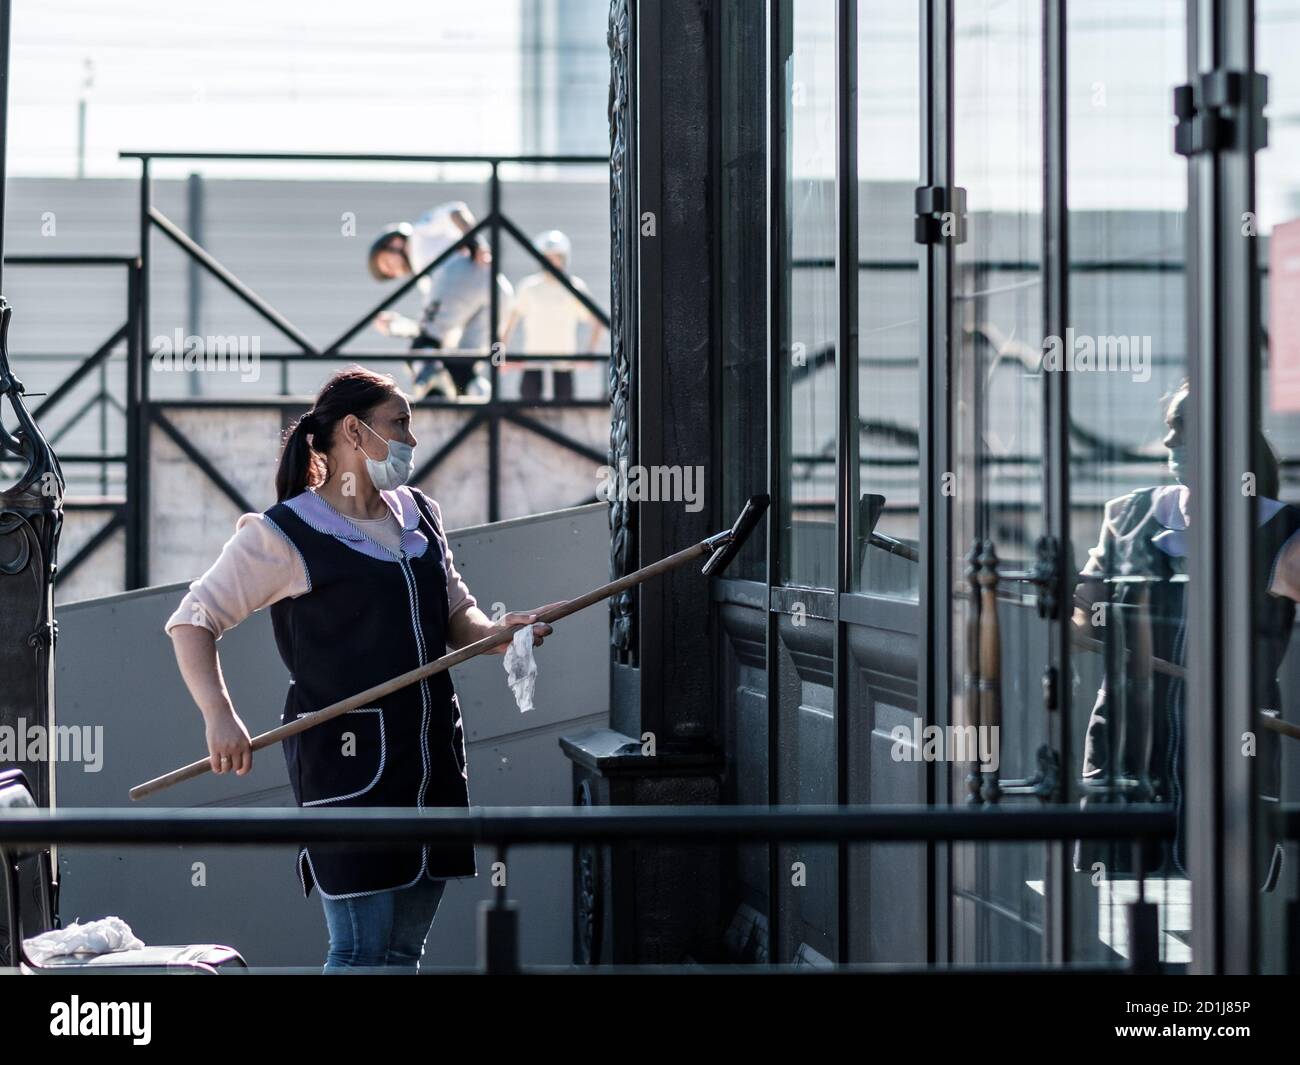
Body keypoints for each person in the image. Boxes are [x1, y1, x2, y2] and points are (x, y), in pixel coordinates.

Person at [164, 365, 555, 973]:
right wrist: (219, 715)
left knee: (401, 953)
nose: (411, 439)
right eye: (399, 424)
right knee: (358, 952)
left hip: (430, 765)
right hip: (348, 771)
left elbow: (458, 616)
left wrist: (501, 635)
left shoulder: (420, 516)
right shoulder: (286, 533)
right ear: (353, 431)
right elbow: (193, 620)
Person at [1072, 379, 1300, 889]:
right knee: (1125, 916)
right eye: (1170, 428)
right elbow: (1083, 614)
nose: (1169, 443)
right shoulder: (1127, 517)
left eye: (1182, 429)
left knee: (1221, 921)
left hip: (1233, 749)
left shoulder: (1285, 533)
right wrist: (1074, 613)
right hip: (1127, 748)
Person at [368, 204, 514, 400]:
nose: (394, 272)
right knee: (461, 366)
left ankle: (431, 386)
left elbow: (455, 211)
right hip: (500, 290)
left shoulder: (420, 234)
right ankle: (480, 397)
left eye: (387, 263)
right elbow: (439, 330)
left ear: (395, 241)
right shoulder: (429, 281)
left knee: (422, 348)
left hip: (461, 270)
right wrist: (396, 326)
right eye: (389, 274)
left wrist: (476, 243)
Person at [501, 230, 605, 402]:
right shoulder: (529, 287)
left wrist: (590, 354)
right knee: (528, 415)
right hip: (533, 364)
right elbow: (508, 324)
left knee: (564, 415)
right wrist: (499, 354)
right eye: (548, 257)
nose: (552, 261)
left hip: (563, 366)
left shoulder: (575, 287)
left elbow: (597, 321)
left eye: (557, 256)